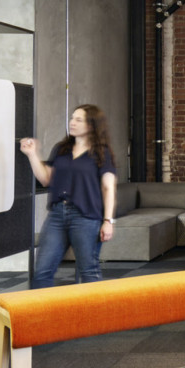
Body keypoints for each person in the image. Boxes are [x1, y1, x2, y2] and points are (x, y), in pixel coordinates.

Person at [21, 104, 118, 288]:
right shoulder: (61, 149)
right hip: (57, 214)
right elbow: (46, 179)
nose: (72, 122)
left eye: (78, 120)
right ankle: (40, 315)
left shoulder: (102, 153)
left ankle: (96, 316)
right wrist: (32, 154)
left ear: (91, 125)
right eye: (72, 118)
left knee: (88, 271)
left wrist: (108, 221)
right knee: (42, 270)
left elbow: (108, 188)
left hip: (86, 217)